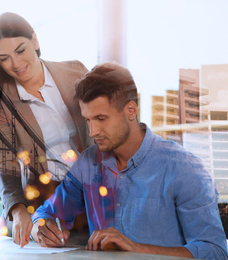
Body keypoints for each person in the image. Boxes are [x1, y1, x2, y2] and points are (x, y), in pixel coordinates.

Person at [31, 62, 228, 259]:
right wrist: (42, 228)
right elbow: (45, 214)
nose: (93, 132)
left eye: (101, 118)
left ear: (131, 110)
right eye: (88, 120)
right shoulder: (88, 163)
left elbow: (215, 251)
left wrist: (135, 248)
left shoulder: (184, 167)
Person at [0, 12, 92, 247]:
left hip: (95, 190)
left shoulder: (76, 72)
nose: (16, 64)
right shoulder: (3, 104)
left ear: (35, 41)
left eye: (20, 50)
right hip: (46, 198)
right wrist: (19, 212)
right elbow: (4, 165)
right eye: (4, 58)